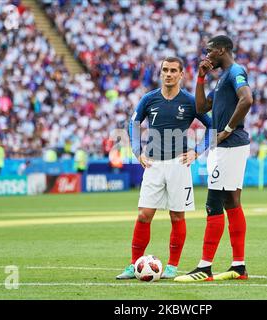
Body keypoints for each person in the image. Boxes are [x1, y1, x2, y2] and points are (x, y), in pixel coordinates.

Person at [116, 57, 212, 280]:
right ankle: (133, 265)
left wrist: (197, 151)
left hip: (179, 164)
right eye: (165, 70)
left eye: (173, 71)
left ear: (181, 75)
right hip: (153, 163)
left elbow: (212, 126)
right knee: (144, 214)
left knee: (177, 217)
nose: (168, 74)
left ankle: (172, 266)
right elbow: (134, 123)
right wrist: (137, 151)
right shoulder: (149, 99)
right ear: (160, 73)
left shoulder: (190, 101)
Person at [174, 35, 253, 282]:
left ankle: (204, 267)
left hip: (229, 145)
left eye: (209, 51)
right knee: (231, 202)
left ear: (221, 50)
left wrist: (227, 130)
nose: (206, 55)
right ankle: (238, 267)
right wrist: (200, 77)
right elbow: (200, 108)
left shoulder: (235, 72)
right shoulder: (221, 79)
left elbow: (247, 99)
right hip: (227, 147)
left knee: (213, 203)